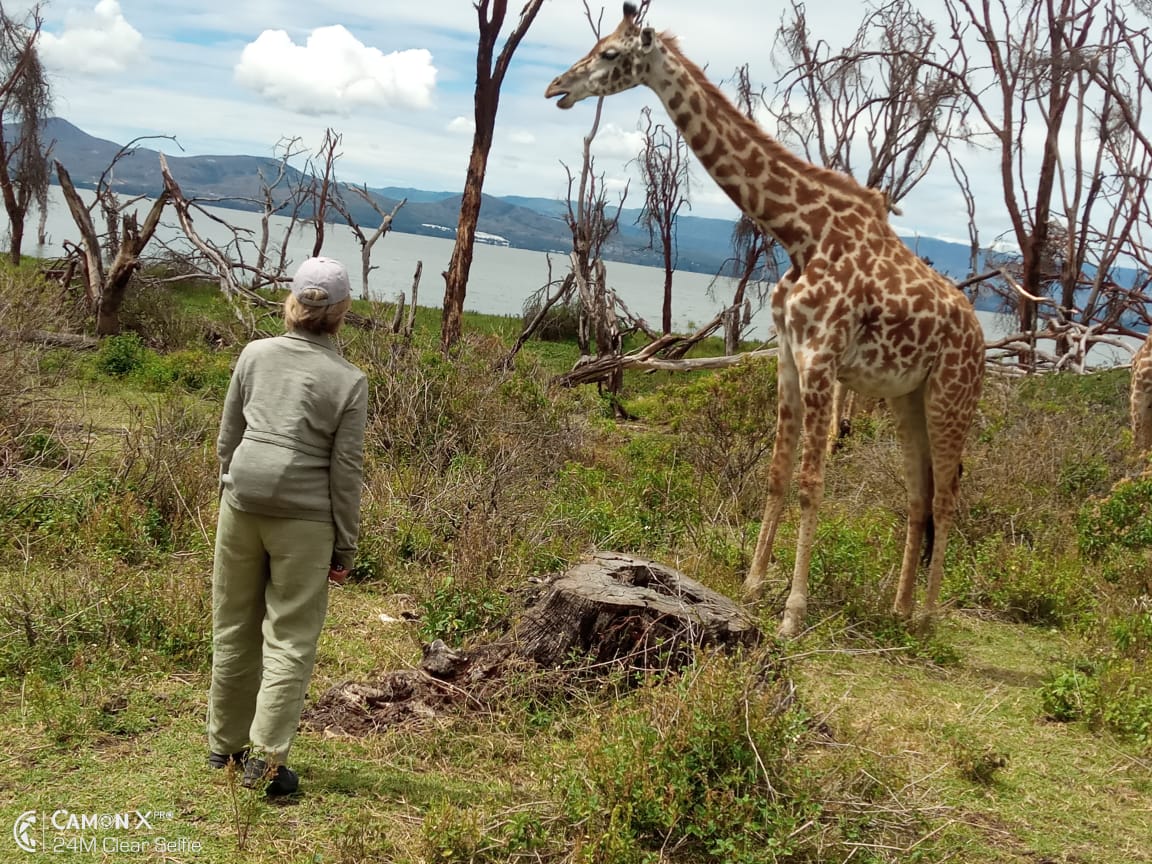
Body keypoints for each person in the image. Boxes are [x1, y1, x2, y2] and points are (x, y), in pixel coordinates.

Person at [207, 256, 368, 796]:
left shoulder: (254, 354)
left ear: (294, 303)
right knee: (290, 637)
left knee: (233, 623)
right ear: (340, 313)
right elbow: (346, 471)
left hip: (242, 503)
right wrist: (344, 547)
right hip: (305, 520)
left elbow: (228, 436)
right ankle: (266, 762)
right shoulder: (348, 380)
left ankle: (223, 747)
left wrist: (231, 489)